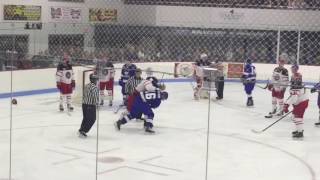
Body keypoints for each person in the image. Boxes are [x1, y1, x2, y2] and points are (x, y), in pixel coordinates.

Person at [283, 64, 308, 139]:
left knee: (298, 117)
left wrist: (286, 105)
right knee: (294, 117)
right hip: (299, 102)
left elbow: (294, 98)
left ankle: (300, 133)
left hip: (301, 103)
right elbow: (293, 97)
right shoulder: (295, 82)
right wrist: (287, 104)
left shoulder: (296, 88)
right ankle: (298, 129)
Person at [78, 74, 99, 138]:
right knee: (92, 119)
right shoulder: (94, 87)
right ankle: (83, 131)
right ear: (93, 80)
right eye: (95, 79)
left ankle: (81, 129)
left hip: (84, 104)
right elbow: (95, 97)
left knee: (86, 118)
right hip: (90, 105)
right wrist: (97, 104)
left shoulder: (86, 85)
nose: (96, 81)